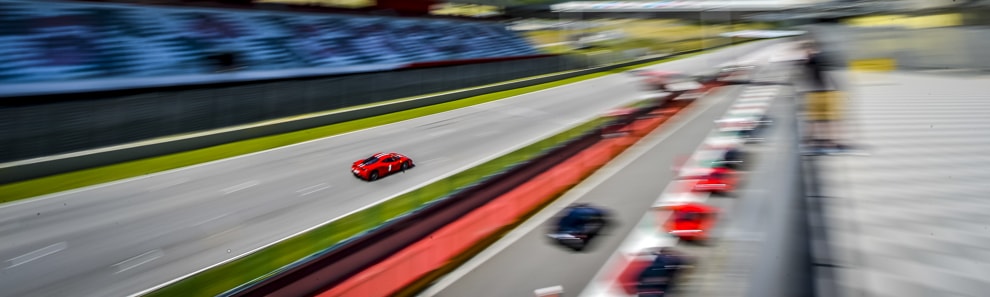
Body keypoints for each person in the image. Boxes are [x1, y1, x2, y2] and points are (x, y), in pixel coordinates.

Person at [801, 41, 851, 155]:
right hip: (816, 93)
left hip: (824, 92)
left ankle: (828, 142)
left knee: (827, 120)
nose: (807, 52)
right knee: (817, 120)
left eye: (810, 49)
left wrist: (841, 91)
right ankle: (815, 141)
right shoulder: (809, 61)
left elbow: (831, 76)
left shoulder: (816, 59)